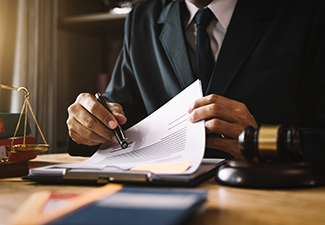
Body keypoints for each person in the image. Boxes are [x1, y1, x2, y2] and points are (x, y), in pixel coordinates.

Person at [66, 0, 325, 166]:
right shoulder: (141, 18)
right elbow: (118, 116)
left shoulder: (307, 10)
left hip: (270, 197)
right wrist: (89, 125)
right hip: (163, 199)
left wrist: (262, 141)